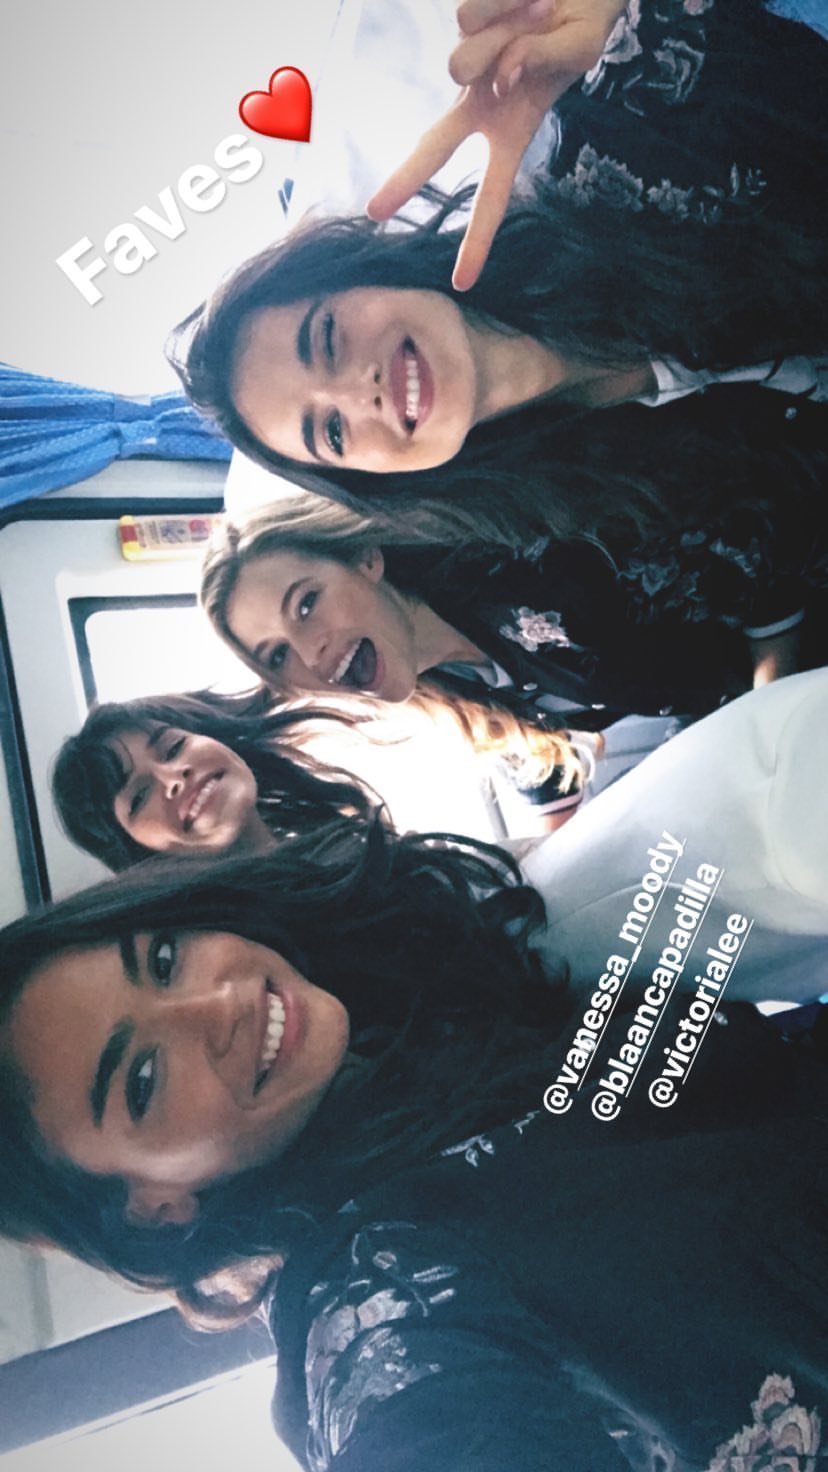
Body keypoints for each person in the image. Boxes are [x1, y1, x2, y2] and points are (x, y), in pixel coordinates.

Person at [0, 802, 825, 1470]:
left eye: (164, 959)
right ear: (155, 1209)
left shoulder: (425, 1001)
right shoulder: (370, 1302)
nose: (219, 1005)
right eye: (143, 1079)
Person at [169, 0, 828, 689]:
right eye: (331, 432)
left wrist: (632, 25)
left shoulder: (617, 158)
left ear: (365, 274)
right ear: (372, 480)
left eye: (327, 339)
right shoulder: (572, 530)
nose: (357, 393)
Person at [199, 497, 764, 725]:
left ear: (365, 558)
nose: (309, 653)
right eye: (277, 655)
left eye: (305, 604)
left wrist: (767, 714)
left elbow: (761, 567)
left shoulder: (522, 564)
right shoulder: (452, 682)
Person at [50, 686, 382, 869]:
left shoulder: (354, 851)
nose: (173, 777)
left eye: (174, 747)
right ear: (136, 854)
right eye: (139, 797)